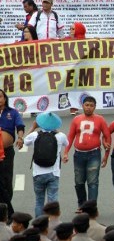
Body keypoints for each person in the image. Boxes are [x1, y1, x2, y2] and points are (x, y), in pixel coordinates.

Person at [63, 96, 110, 210]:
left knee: (92, 182)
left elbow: (107, 136)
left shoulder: (100, 120)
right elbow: (71, 136)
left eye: (91, 106)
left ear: (95, 107)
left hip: (94, 154)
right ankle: (82, 205)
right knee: (79, 182)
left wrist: (106, 155)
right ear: (83, 106)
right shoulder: (76, 119)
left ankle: (91, 207)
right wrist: (65, 152)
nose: (89, 108)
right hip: (78, 154)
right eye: (86, 105)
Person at [24, 112, 68, 218]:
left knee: (39, 200)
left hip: (38, 173)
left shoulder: (35, 135)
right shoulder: (60, 136)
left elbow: (25, 141)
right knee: (52, 200)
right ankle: (53, 223)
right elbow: (67, 143)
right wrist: (56, 130)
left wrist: (33, 127)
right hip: (53, 173)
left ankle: (39, 225)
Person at [0, 89, 25, 218]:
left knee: (6, 179)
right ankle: (7, 211)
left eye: (0, 97)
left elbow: (20, 126)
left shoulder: (12, 112)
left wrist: (20, 138)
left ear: (5, 98)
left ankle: (6, 209)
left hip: (7, 152)